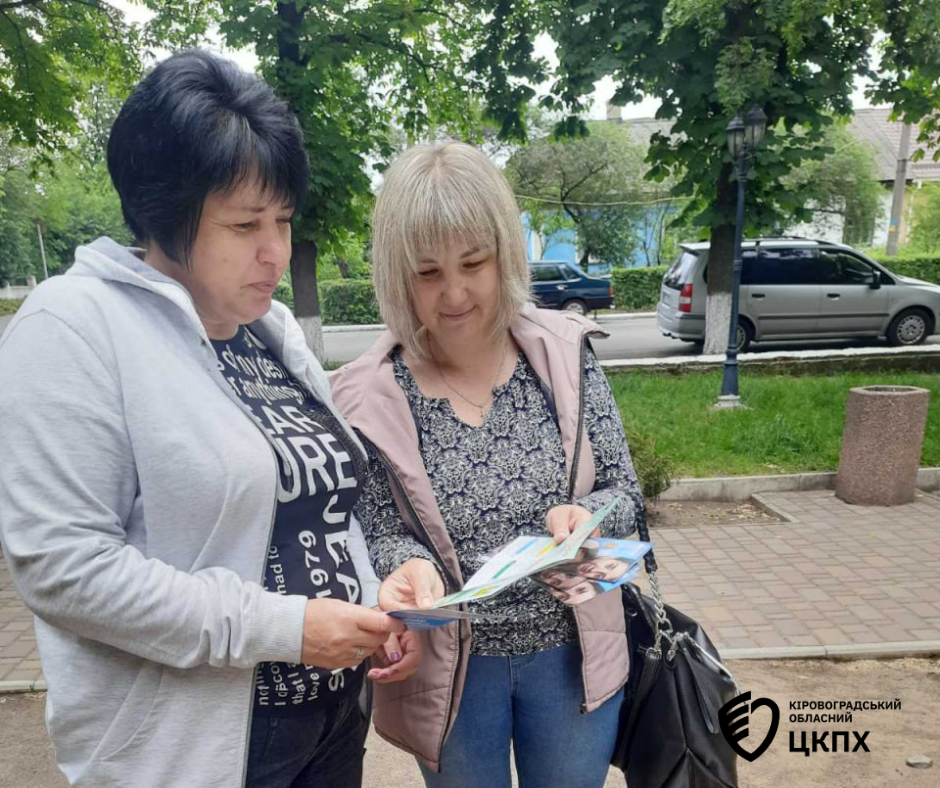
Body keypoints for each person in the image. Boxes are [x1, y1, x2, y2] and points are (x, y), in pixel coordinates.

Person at [0, 50, 417, 788]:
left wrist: (376, 594)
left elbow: (321, 505)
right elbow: (63, 568)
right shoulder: (73, 325)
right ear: (165, 214)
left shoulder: (271, 331)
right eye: (244, 223)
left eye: (283, 220)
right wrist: (284, 629)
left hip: (329, 720)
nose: (275, 252)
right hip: (196, 750)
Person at [330, 141, 648, 788]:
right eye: (427, 272)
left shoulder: (563, 354)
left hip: (573, 653)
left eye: (473, 262)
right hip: (449, 668)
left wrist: (585, 516)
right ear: (396, 274)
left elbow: (626, 494)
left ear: (504, 251)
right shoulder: (369, 393)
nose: (454, 293)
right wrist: (408, 566)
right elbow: (375, 531)